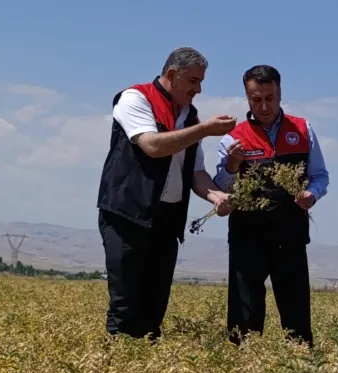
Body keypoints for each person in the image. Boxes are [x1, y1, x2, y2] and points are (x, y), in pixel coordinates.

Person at [96, 47, 236, 342]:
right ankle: (116, 362)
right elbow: (152, 145)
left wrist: (216, 197)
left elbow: (195, 171)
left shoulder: (189, 116)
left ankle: (146, 362)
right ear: (172, 75)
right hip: (128, 215)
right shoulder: (135, 98)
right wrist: (203, 130)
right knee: (126, 304)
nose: (198, 89)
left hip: (166, 220)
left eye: (200, 82)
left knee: (153, 308)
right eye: (193, 81)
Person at [213, 64, 330, 348]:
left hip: (290, 237)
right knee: (244, 318)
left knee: (297, 316)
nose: (264, 106)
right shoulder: (232, 137)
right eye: (256, 99)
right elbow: (222, 188)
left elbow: (320, 176)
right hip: (247, 239)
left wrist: (311, 194)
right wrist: (232, 164)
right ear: (247, 98)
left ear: (280, 93)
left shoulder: (302, 129)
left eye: (270, 98)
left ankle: (300, 364)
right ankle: (243, 365)